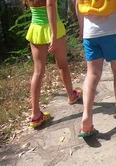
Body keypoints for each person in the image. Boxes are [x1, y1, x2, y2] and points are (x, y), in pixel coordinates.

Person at [75, 0, 116, 138]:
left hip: (90, 32)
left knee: (92, 74)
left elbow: (77, 4)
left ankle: (87, 116)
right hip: (114, 29)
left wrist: (82, 29)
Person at [25, 0, 83, 128]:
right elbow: (50, 4)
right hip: (53, 28)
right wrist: (53, 33)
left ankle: (35, 114)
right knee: (62, 65)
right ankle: (71, 96)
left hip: (37, 28)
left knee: (38, 71)